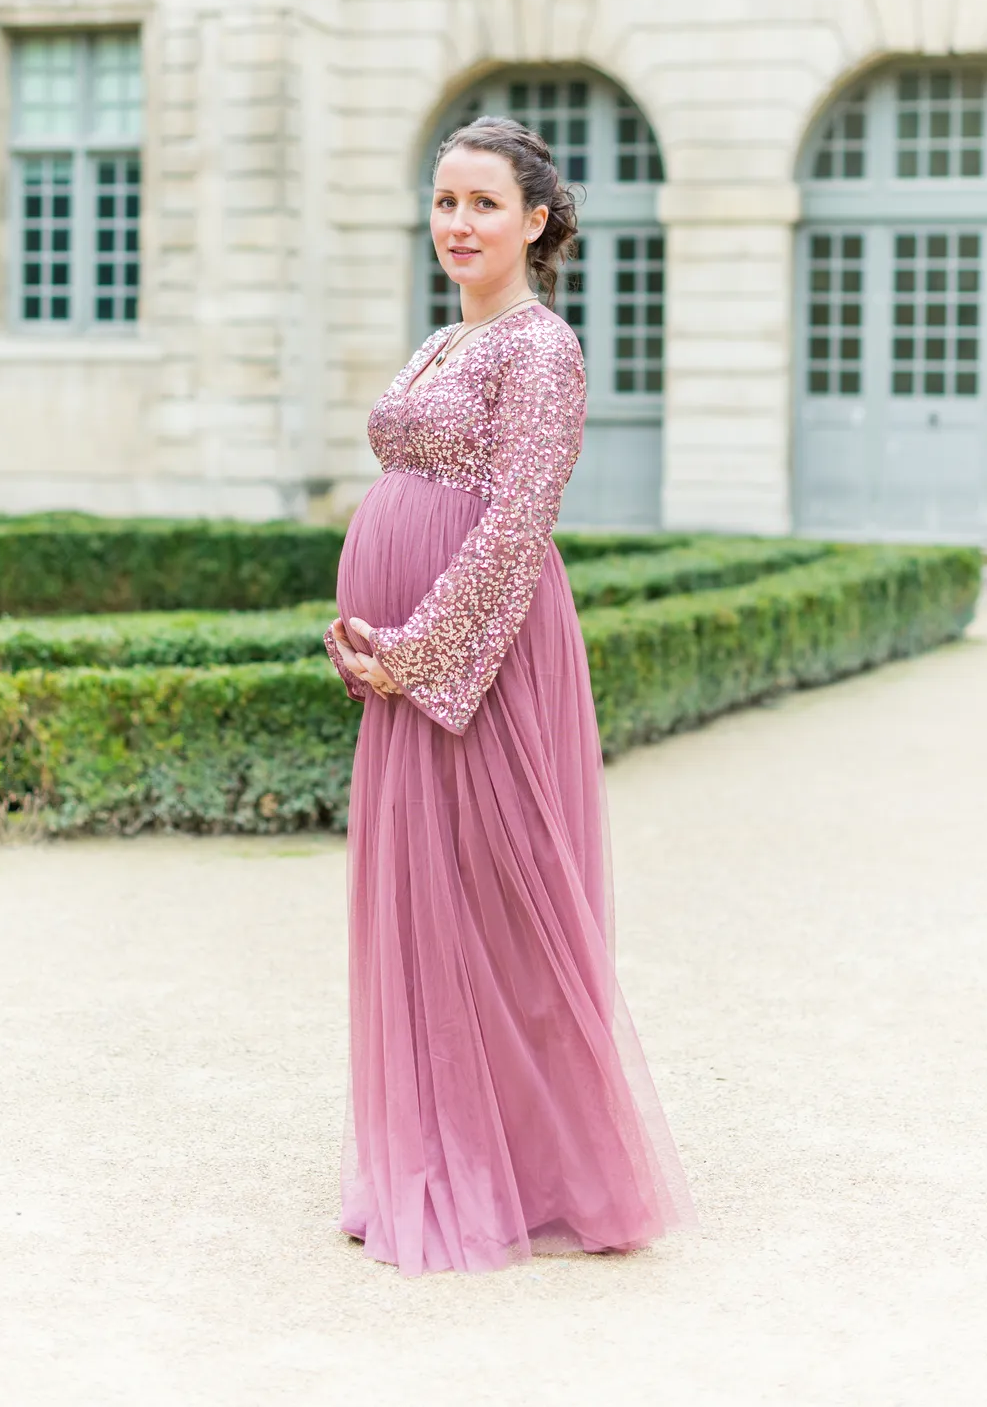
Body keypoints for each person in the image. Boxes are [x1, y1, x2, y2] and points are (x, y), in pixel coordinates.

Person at [325, 116, 696, 1275]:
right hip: (407, 661)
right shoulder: (442, 341)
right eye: (444, 201)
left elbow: (519, 517)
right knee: (424, 901)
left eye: (483, 204)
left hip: (477, 659)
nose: (458, 224)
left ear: (536, 222)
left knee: (498, 903)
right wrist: (365, 634)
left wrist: (422, 648)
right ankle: (433, 1142)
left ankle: (530, 1163)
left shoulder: (542, 348)